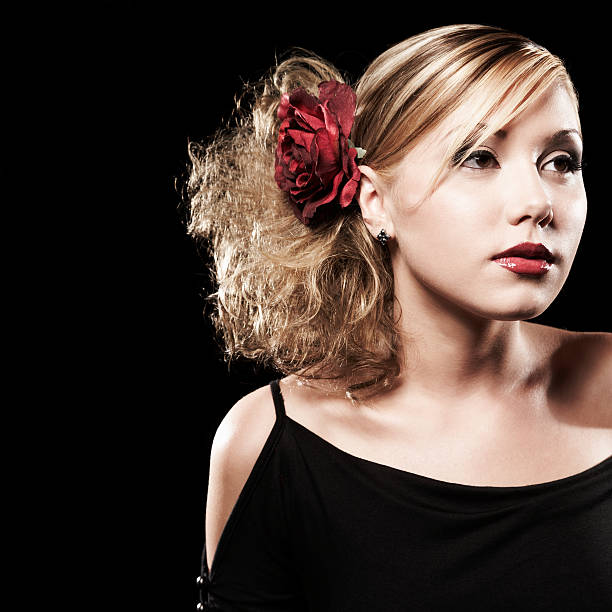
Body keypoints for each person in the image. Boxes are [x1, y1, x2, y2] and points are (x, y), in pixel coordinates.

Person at [186, 24, 612, 611]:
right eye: (478, 157)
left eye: (561, 161)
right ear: (373, 199)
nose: (538, 203)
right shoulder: (270, 446)